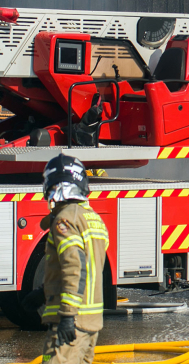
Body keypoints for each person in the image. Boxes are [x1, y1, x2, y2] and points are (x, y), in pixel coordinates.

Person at [28, 155, 109, 364]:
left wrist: (66, 316)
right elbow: (89, 267)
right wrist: (43, 293)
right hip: (91, 324)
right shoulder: (93, 219)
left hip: (69, 325)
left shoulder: (65, 219)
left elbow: (75, 267)